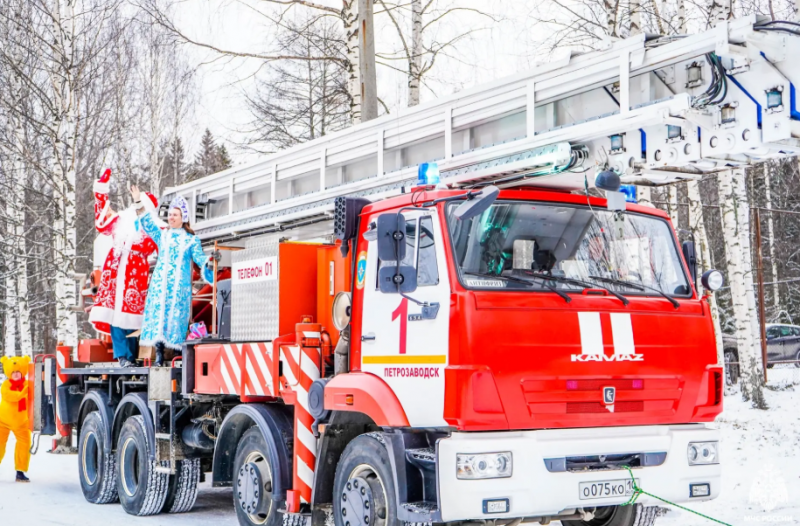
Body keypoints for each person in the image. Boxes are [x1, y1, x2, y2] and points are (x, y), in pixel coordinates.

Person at [132, 186, 214, 367]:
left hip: (178, 288)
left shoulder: (191, 240)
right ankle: (160, 354)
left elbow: (200, 258)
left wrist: (209, 263)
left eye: (175, 214)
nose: (171, 217)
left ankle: (178, 353)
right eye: (170, 214)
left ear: (183, 218)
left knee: (176, 318)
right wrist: (138, 201)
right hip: (160, 287)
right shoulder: (163, 235)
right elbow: (147, 224)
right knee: (159, 317)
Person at [89, 169, 160, 367]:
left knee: (132, 317)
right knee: (114, 315)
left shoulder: (153, 226)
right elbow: (102, 222)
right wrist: (101, 191)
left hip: (134, 274)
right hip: (114, 271)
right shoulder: (122, 220)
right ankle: (122, 356)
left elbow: (161, 243)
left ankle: (130, 356)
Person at [0, 356, 32, 482]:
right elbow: (9, 396)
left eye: (18, 371)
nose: (16, 374)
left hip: (21, 422)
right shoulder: (6, 384)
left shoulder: (27, 384)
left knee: (24, 445)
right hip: (2, 421)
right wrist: (21, 394)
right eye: (13, 372)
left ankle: (20, 471)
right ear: (8, 373)